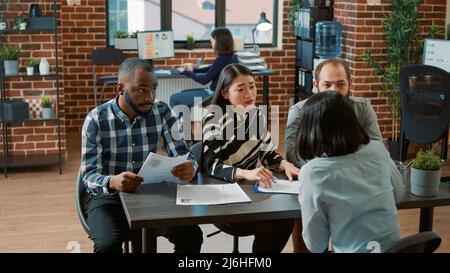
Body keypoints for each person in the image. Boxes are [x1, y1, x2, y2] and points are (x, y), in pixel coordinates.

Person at [81, 58, 203, 253]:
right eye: (141, 90)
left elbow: (184, 154)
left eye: (153, 89)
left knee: (191, 236)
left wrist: (190, 167)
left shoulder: (162, 111)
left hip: (152, 193)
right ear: (121, 88)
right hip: (110, 197)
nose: (150, 96)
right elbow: (88, 176)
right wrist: (112, 181)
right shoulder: (96, 119)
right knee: (107, 245)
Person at [285, 59, 383, 252]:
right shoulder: (299, 111)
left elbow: (376, 144)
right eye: (327, 85)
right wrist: (327, 172)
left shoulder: (362, 108)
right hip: (319, 180)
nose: (334, 91)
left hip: (356, 183)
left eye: (340, 84)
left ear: (349, 83)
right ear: (315, 85)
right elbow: (292, 152)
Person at [201, 64, 299, 253]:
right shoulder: (213, 118)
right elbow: (211, 165)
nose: (249, 94)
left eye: (252, 86)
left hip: (251, 192)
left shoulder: (256, 114)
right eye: (240, 88)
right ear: (224, 93)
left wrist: (286, 164)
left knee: (287, 220)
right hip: (223, 194)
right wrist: (247, 173)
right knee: (266, 228)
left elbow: (268, 154)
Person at [295, 91, 404, 253]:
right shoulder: (378, 150)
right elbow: (399, 194)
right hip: (396, 249)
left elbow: (316, 244)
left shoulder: (313, 172)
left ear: (311, 129)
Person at [169, 27, 239, 108]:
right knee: (183, 93)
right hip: (215, 93)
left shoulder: (221, 59)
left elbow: (203, 80)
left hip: (212, 95)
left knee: (174, 98)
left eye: (212, 41)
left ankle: (182, 120)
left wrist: (185, 72)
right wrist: (193, 70)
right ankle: (186, 120)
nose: (211, 43)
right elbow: (212, 68)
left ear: (219, 42)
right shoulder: (232, 57)